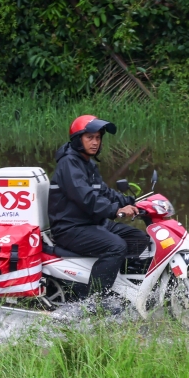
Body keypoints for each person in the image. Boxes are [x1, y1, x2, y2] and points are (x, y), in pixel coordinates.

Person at [48, 115, 150, 300]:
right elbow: (87, 199)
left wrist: (130, 202)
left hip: (90, 223)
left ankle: (121, 286)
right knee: (116, 246)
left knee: (138, 238)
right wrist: (117, 211)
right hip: (71, 228)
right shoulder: (69, 164)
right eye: (90, 138)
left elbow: (104, 192)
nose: (95, 142)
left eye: (98, 138)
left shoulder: (87, 163)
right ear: (78, 139)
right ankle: (95, 300)